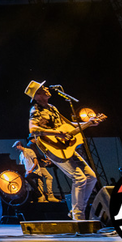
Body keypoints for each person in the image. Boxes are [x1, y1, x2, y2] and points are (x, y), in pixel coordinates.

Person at [24, 80, 100, 220]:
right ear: (37, 95)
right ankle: (78, 216)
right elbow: (33, 129)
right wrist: (57, 134)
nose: (47, 89)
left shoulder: (52, 108)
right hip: (54, 149)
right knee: (79, 177)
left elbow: (70, 126)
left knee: (91, 177)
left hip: (66, 148)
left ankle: (77, 210)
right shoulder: (36, 110)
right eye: (43, 88)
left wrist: (89, 123)